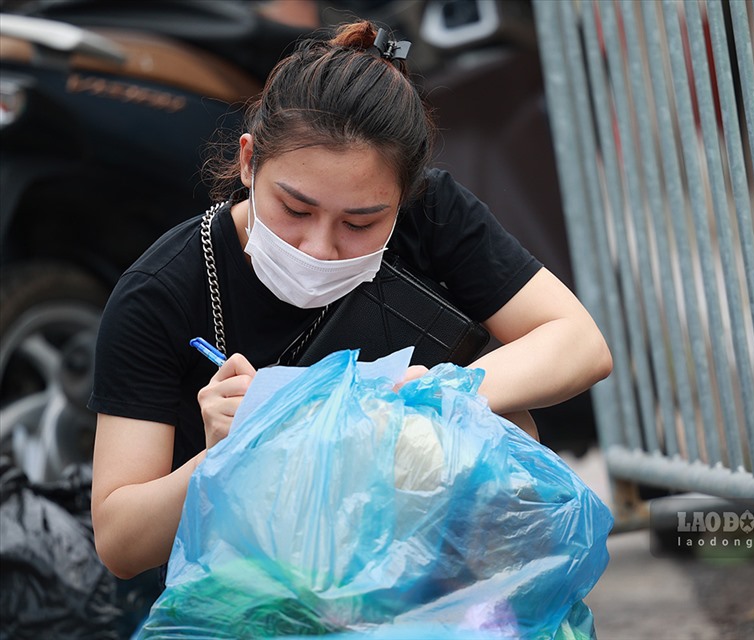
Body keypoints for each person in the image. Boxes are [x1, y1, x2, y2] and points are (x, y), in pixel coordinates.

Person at [88, 21, 612, 581]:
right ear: (248, 162)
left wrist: (442, 394)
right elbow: (120, 540)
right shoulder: (163, 291)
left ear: (403, 198)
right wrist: (224, 456)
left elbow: (579, 342)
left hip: (435, 569)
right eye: (294, 209)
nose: (320, 248)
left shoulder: (431, 216)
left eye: (361, 222)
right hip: (263, 590)